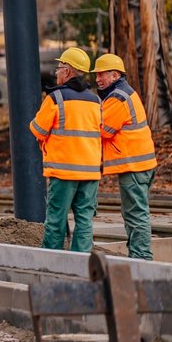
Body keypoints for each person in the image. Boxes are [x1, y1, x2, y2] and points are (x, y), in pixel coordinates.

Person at [30, 47, 102, 252]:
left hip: (63, 172)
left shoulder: (55, 98)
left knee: (55, 221)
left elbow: (37, 129)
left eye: (59, 68)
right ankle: (81, 265)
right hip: (90, 172)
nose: (56, 72)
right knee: (85, 221)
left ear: (68, 72)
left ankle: (52, 264)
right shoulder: (96, 101)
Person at [93, 53, 157, 260]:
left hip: (133, 165)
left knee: (135, 214)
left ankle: (141, 259)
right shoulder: (124, 93)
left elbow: (104, 130)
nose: (97, 78)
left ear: (115, 75)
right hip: (141, 163)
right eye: (97, 74)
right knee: (135, 213)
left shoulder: (117, 97)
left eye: (101, 74)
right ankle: (138, 256)